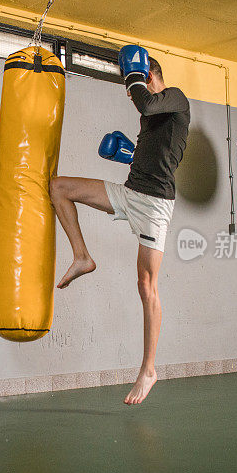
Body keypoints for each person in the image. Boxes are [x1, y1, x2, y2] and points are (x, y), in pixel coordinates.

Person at [49, 45, 190, 405]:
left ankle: (149, 369)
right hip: (130, 193)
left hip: (156, 205)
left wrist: (133, 80)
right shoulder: (154, 117)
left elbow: (148, 104)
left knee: (146, 284)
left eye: (137, 85)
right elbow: (159, 148)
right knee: (58, 187)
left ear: (150, 76)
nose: (132, 98)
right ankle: (82, 256)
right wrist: (129, 155)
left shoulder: (176, 99)